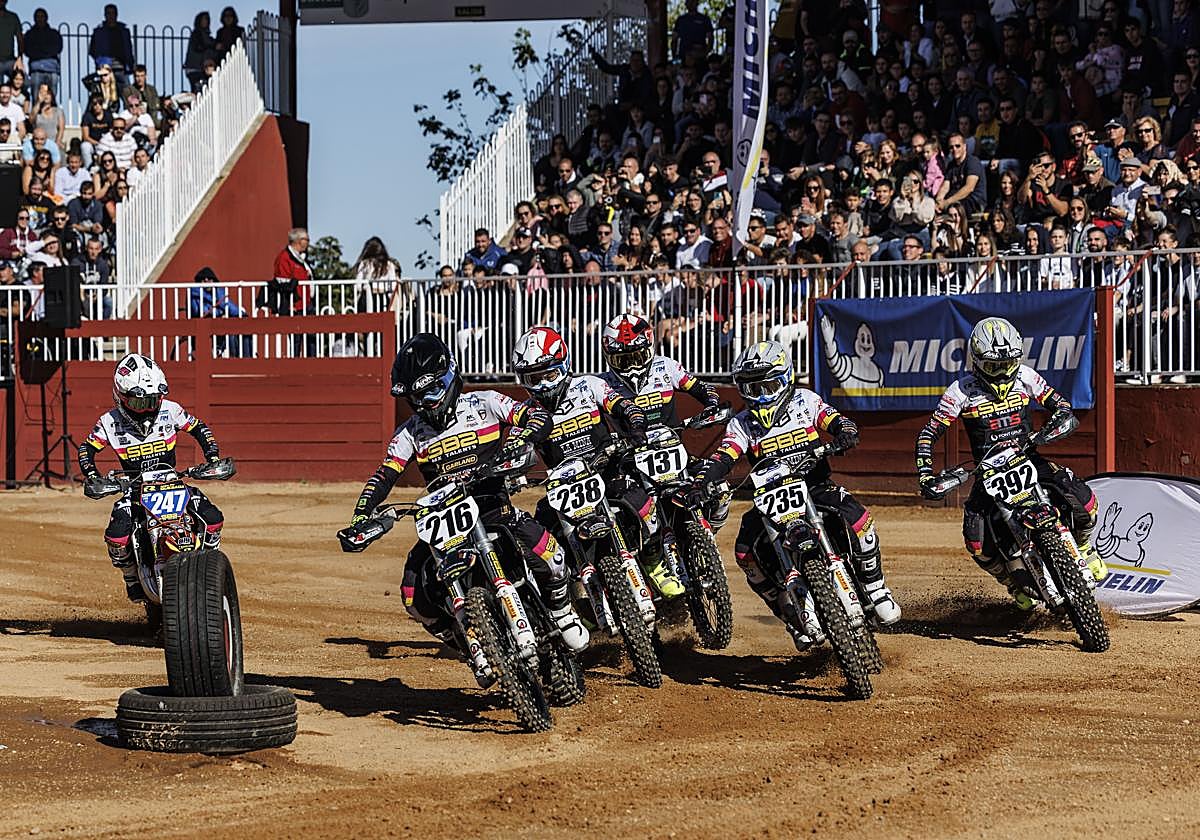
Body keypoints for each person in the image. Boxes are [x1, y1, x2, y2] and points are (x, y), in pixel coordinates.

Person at [345, 334, 589, 685]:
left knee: (552, 557)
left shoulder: (485, 402)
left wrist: (524, 436)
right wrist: (361, 515)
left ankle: (562, 612)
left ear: (449, 377)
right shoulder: (409, 433)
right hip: (446, 525)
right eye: (416, 398)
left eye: (432, 391)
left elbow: (534, 415)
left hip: (493, 509)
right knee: (412, 594)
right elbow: (384, 475)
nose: (426, 403)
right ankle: (466, 640)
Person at [692, 340, 901, 650]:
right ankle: (790, 615)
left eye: (769, 385)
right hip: (769, 498)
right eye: (752, 388)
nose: (762, 395)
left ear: (786, 378)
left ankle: (876, 587)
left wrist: (845, 431)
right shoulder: (742, 424)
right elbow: (725, 455)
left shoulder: (805, 400)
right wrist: (703, 480)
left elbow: (834, 419)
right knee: (744, 553)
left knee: (860, 519)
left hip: (814, 487)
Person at [915, 318, 1107, 609]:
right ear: (977, 361)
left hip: (1028, 457)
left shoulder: (1026, 377)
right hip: (987, 472)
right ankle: (1010, 580)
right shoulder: (960, 391)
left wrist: (1057, 421)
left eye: (1008, 364)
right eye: (994, 366)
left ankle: (1083, 547)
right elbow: (928, 434)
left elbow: (1061, 404)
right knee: (976, 542)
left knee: (1085, 502)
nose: (1003, 372)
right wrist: (926, 474)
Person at [510, 325, 673, 611]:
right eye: (534, 378)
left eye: (549, 375)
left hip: (607, 472)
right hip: (563, 489)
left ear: (564, 366)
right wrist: (511, 470)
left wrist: (636, 425)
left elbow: (624, 405)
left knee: (646, 506)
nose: (543, 385)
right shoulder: (528, 412)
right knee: (543, 535)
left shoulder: (589, 385)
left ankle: (654, 562)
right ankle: (575, 598)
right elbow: (515, 446)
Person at [79, 354, 224, 602]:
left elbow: (199, 428)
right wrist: (94, 476)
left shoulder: (171, 410)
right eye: (139, 403)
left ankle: (210, 565)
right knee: (116, 536)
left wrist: (212, 457)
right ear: (121, 397)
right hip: (135, 490)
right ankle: (131, 577)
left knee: (213, 520)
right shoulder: (109, 422)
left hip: (173, 483)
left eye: (153, 400)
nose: (147, 408)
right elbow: (86, 449)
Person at [88, 4, 136, 87]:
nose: (111, 16)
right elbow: (92, 50)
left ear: (116, 15)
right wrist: (100, 62)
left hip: (122, 68)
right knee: (108, 93)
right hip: (105, 67)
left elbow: (129, 49)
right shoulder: (98, 32)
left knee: (127, 92)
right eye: (108, 13)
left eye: (113, 13)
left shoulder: (124, 31)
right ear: (105, 15)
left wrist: (130, 64)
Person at [25, 8, 62, 100]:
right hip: (36, 69)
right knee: (36, 98)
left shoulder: (54, 33)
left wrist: (39, 51)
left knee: (52, 99)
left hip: (52, 69)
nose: (40, 19)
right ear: (34, 19)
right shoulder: (30, 34)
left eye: (42, 16)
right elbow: (28, 51)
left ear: (46, 18)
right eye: (37, 17)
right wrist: (47, 52)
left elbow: (58, 48)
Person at [184, 12, 217, 92]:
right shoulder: (197, 34)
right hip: (196, 68)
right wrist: (212, 46)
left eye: (207, 19)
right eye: (204, 19)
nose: (206, 21)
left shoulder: (205, 35)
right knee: (199, 90)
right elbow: (199, 47)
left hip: (199, 68)